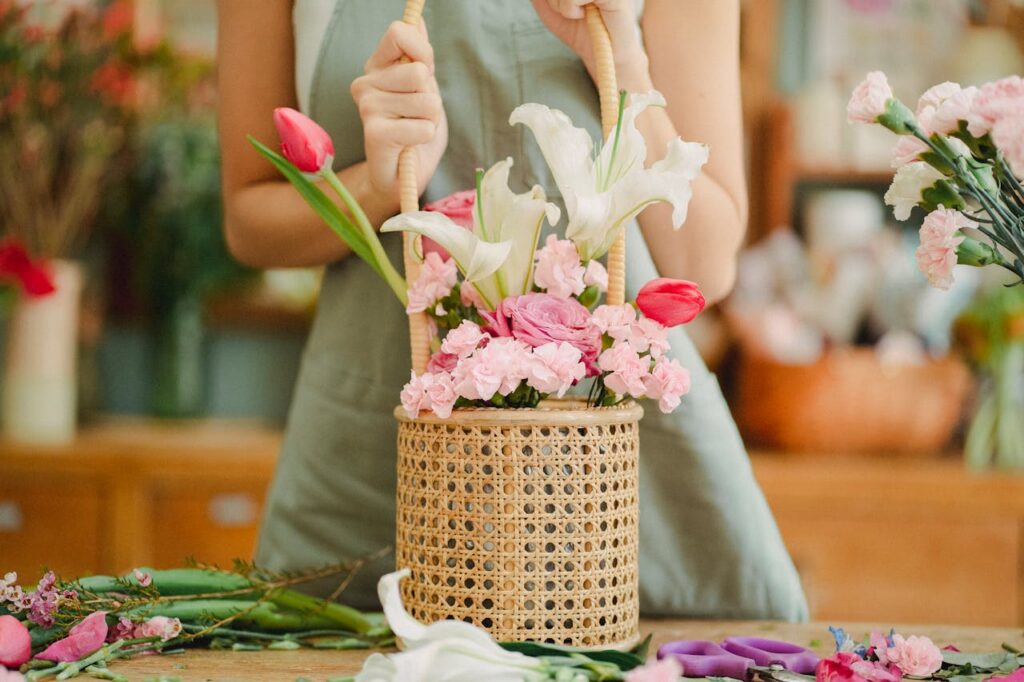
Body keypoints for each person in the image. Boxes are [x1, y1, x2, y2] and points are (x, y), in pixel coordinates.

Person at [217, 0, 808, 620]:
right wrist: (378, 184)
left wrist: (624, 63)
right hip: (378, 464)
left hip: (622, 488)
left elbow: (706, 263)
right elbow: (248, 221)